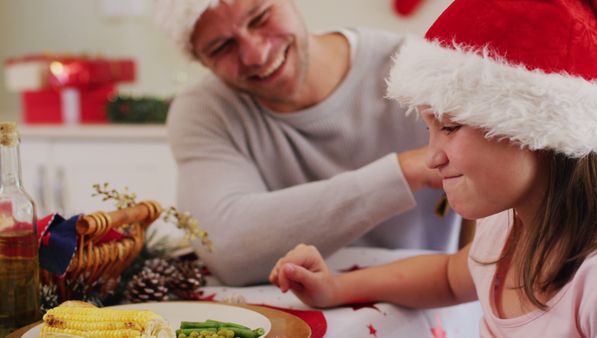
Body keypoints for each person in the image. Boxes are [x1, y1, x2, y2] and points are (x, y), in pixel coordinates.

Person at [270, 0, 597, 335]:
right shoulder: (507, 227)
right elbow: (448, 277)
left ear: (537, 129)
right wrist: (334, 287)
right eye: (430, 130)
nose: (432, 158)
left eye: (448, 127)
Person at [152, 0, 462, 286]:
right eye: (221, 47)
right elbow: (227, 247)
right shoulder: (206, 111)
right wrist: (405, 172)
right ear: (201, 61)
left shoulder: (421, 71)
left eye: (260, 17)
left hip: (427, 304)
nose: (256, 55)